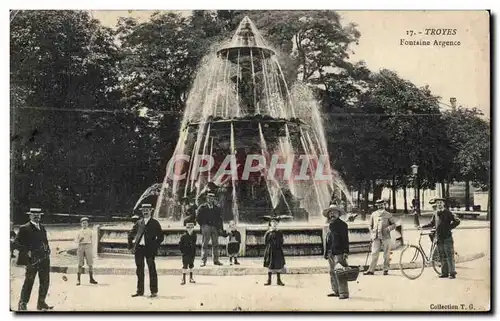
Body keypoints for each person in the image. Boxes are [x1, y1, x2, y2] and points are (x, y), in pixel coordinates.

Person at [13, 208, 53, 311]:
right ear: (30, 216)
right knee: (29, 282)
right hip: (32, 260)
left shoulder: (42, 228)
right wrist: (27, 251)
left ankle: (41, 303)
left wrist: (48, 250)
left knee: (45, 281)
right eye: (34, 214)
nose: (36, 216)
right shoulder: (24, 228)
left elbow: (45, 241)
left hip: (44, 259)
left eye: (38, 215)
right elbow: (15, 243)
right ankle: (22, 303)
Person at [128, 203, 164, 298]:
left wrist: (154, 246)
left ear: (151, 211)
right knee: (139, 270)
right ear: (142, 211)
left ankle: (154, 291)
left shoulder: (155, 223)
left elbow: (161, 237)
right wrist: (131, 246)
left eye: (147, 210)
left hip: (149, 250)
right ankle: (140, 291)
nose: (145, 212)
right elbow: (131, 233)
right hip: (139, 249)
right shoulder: (139, 222)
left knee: (152, 269)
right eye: (144, 210)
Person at [421, 198, 460, 279]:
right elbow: (431, 223)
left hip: (447, 237)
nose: (439, 204)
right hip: (439, 237)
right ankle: (444, 273)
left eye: (440, 203)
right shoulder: (436, 213)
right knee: (441, 255)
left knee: (449, 255)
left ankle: (452, 273)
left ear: (443, 204)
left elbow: (457, 221)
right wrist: (422, 226)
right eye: (438, 203)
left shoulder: (448, 213)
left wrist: (449, 227)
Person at [364, 199, 396, 276]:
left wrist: (388, 228)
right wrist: (372, 233)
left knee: (386, 254)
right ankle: (371, 270)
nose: (380, 206)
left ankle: (386, 269)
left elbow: (394, 224)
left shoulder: (388, 214)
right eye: (378, 205)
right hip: (376, 237)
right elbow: (370, 225)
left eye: (381, 204)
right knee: (374, 253)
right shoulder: (373, 214)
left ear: (384, 205)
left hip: (386, 236)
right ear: (376, 206)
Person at [324, 205, 350, 299]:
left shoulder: (342, 225)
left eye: (334, 212)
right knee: (332, 272)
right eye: (330, 213)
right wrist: (326, 252)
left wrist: (346, 251)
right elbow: (328, 240)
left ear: (338, 214)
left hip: (339, 252)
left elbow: (345, 239)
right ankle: (336, 291)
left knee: (341, 272)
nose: (332, 214)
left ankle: (344, 293)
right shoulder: (330, 225)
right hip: (331, 252)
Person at [196, 192, 223, 266]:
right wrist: (203, 225)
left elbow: (220, 219)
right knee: (205, 244)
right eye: (209, 198)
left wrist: (220, 228)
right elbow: (198, 217)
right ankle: (203, 261)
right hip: (206, 227)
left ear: (214, 199)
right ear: (207, 199)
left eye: (212, 198)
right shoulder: (202, 207)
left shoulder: (217, 208)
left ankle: (216, 260)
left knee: (215, 244)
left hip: (215, 228)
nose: (211, 200)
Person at [75, 217, 98, 286]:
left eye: (86, 223)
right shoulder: (78, 232)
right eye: (83, 223)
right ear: (81, 224)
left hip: (88, 246)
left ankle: (91, 278)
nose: (84, 224)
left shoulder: (90, 231)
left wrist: (93, 250)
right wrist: (79, 240)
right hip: (81, 246)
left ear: (88, 224)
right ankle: (78, 279)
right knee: (80, 263)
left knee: (90, 263)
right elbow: (75, 240)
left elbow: (93, 241)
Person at [263, 218, 286, 286]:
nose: (274, 225)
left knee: (278, 265)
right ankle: (269, 280)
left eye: (276, 224)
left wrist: (278, 245)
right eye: (273, 224)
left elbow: (282, 241)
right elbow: (265, 241)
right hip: (270, 250)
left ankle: (278, 280)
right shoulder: (268, 233)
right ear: (270, 224)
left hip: (277, 250)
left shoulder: (279, 232)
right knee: (270, 265)